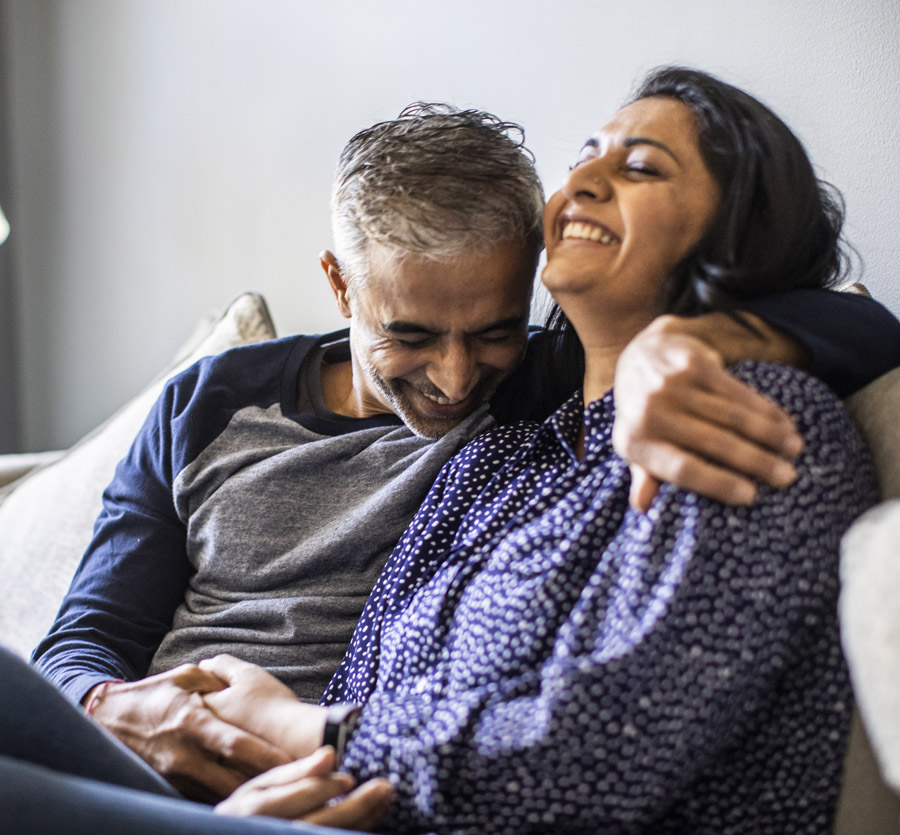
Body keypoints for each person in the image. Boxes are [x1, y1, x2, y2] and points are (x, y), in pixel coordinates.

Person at [0, 65, 885, 834]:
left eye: (495, 331)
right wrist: (140, 715)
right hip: (233, 771)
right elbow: (95, 637)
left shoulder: (690, 413)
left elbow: (865, 323)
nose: (457, 380)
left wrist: (701, 339)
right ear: (340, 284)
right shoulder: (498, 449)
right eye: (412, 336)